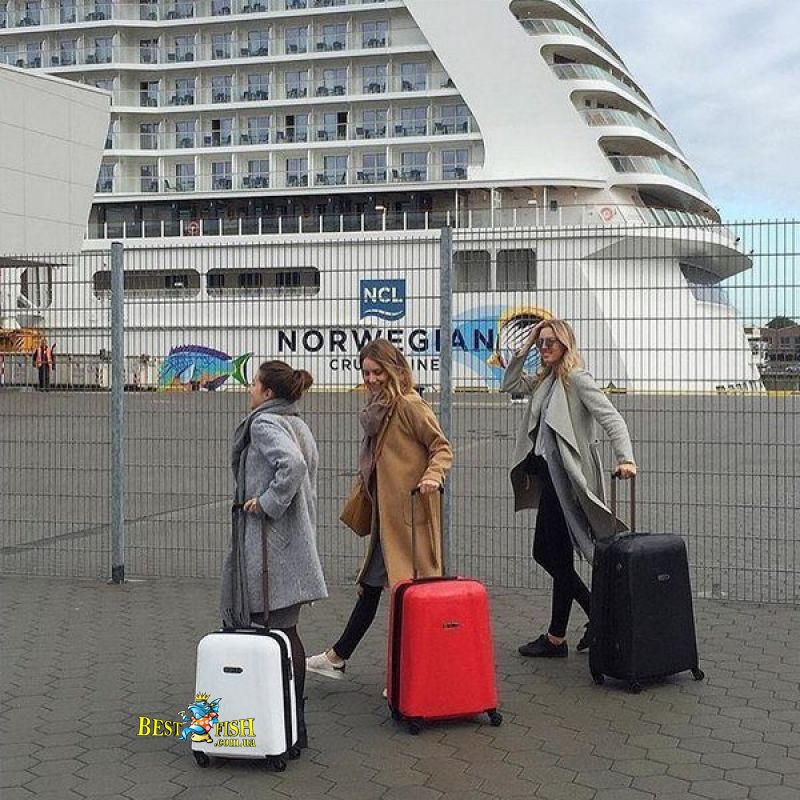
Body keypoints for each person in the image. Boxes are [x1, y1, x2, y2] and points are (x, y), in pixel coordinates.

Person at [306, 340, 453, 684]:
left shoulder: (409, 405)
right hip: (387, 520)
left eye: (378, 372)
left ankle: (411, 676)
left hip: (409, 519)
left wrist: (432, 475)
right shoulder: (378, 408)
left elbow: (441, 447)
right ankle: (338, 657)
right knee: (372, 587)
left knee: (411, 595)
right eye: (367, 373)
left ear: (394, 370)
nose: (371, 379)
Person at [501, 319, 637, 658]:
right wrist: (527, 343)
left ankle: (559, 636)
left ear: (566, 345)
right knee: (547, 554)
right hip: (550, 479)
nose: (545, 347)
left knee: (556, 555)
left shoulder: (576, 379)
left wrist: (626, 458)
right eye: (541, 342)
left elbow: (612, 418)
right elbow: (509, 383)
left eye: (551, 342)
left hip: (569, 480)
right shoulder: (545, 380)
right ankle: (593, 619)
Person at [220, 360, 327, 749]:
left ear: (267, 393)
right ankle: (291, 721)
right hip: (293, 542)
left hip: (271, 547)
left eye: (254, 384)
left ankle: (282, 722)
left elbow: (292, 465)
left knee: (272, 630)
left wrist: (267, 502)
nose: (249, 389)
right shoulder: (296, 423)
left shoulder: (265, 424)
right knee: (287, 631)